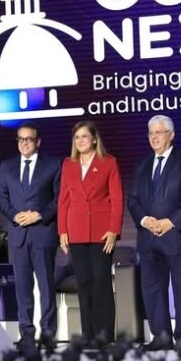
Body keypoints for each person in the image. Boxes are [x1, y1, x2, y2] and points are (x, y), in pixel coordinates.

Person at [127, 115, 181, 348]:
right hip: (149, 237)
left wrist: (170, 222)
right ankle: (161, 337)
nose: (154, 137)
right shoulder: (142, 165)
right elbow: (133, 199)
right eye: (150, 133)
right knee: (152, 289)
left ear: (171, 135)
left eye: (159, 133)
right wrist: (144, 220)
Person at [58, 121, 123, 344]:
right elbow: (63, 200)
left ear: (94, 139)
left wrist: (114, 229)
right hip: (76, 231)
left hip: (101, 233)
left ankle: (104, 336)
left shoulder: (109, 162)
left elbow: (117, 199)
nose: (80, 141)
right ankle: (88, 335)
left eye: (84, 136)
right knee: (83, 282)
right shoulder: (68, 164)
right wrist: (62, 231)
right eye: (77, 137)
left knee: (101, 282)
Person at [0, 121, 61, 345]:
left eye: (29, 139)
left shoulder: (53, 164)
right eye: (20, 139)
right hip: (18, 235)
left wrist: (39, 215)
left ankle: (48, 333)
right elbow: (1, 197)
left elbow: (59, 198)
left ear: (38, 141)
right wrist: (14, 215)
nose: (24, 143)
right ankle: (27, 334)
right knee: (22, 288)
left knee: (46, 287)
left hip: (43, 233)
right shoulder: (7, 166)